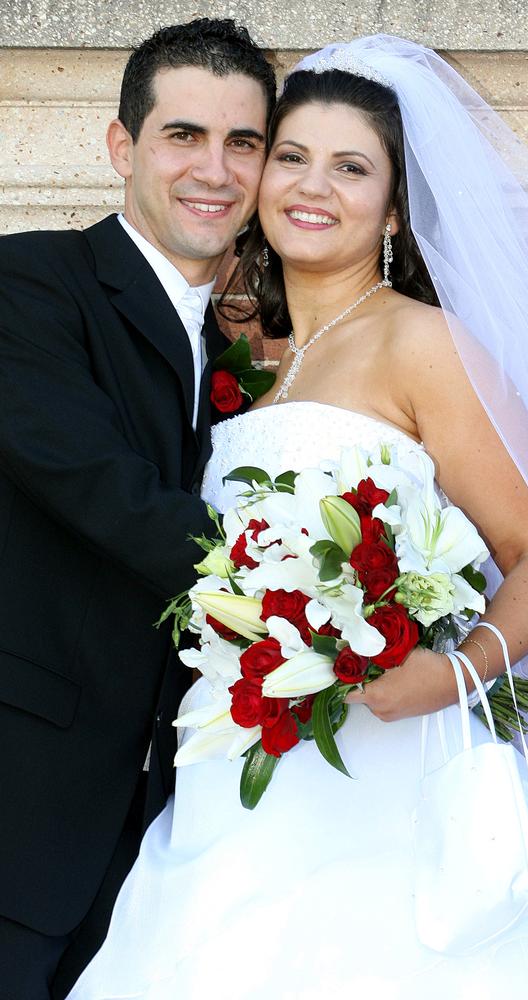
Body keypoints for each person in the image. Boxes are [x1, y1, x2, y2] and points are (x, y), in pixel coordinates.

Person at [67, 36, 528, 999]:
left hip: (382, 767)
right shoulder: (244, 352)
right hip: (230, 762)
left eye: (351, 168)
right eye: (290, 157)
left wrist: (452, 673)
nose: (311, 186)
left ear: (391, 208)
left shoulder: (423, 344)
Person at [0, 17, 275, 999]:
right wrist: (318, 610)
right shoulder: (29, 285)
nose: (215, 168)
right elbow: (102, 488)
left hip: (163, 836)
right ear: (123, 147)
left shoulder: (244, 351)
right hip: (24, 812)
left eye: (242, 142)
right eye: (183, 135)